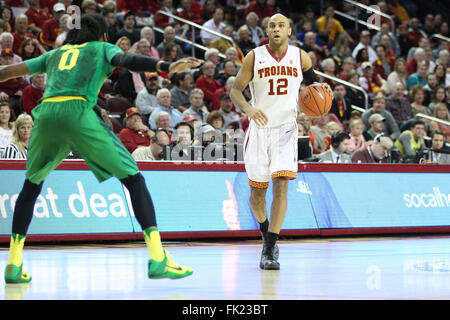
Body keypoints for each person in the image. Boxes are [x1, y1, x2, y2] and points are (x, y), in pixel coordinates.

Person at [0, 13, 202, 283]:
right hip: (78, 111)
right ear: (102, 34)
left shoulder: (55, 54)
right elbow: (128, 61)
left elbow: (9, 71)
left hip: (45, 115)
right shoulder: (101, 47)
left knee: (31, 185)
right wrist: (164, 64)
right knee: (134, 179)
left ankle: (13, 265)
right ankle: (157, 258)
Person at [230, 13, 332, 270]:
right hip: (259, 129)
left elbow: (314, 87)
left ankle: (270, 247)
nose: (276, 28)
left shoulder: (300, 57)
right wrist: (249, 109)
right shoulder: (254, 56)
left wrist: (321, 96)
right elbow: (235, 90)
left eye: (281, 25)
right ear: (267, 30)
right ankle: (266, 232)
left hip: (286, 129)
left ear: (289, 31)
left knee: (282, 185)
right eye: (272, 25)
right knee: (256, 195)